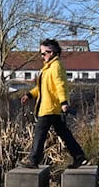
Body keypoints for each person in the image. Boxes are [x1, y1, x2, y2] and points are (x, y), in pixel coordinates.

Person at [20, 39, 89, 169]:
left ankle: (33, 160)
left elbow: (60, 85)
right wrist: (29, 94)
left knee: (39, 134)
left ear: (51, 52)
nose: (41, 56)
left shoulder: (55, 66)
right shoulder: (48, 68)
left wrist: (64, 102)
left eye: (43, 53)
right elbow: (42, 88)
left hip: (49, 108)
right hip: (50, 108)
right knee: (64, 133)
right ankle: (79, 157)